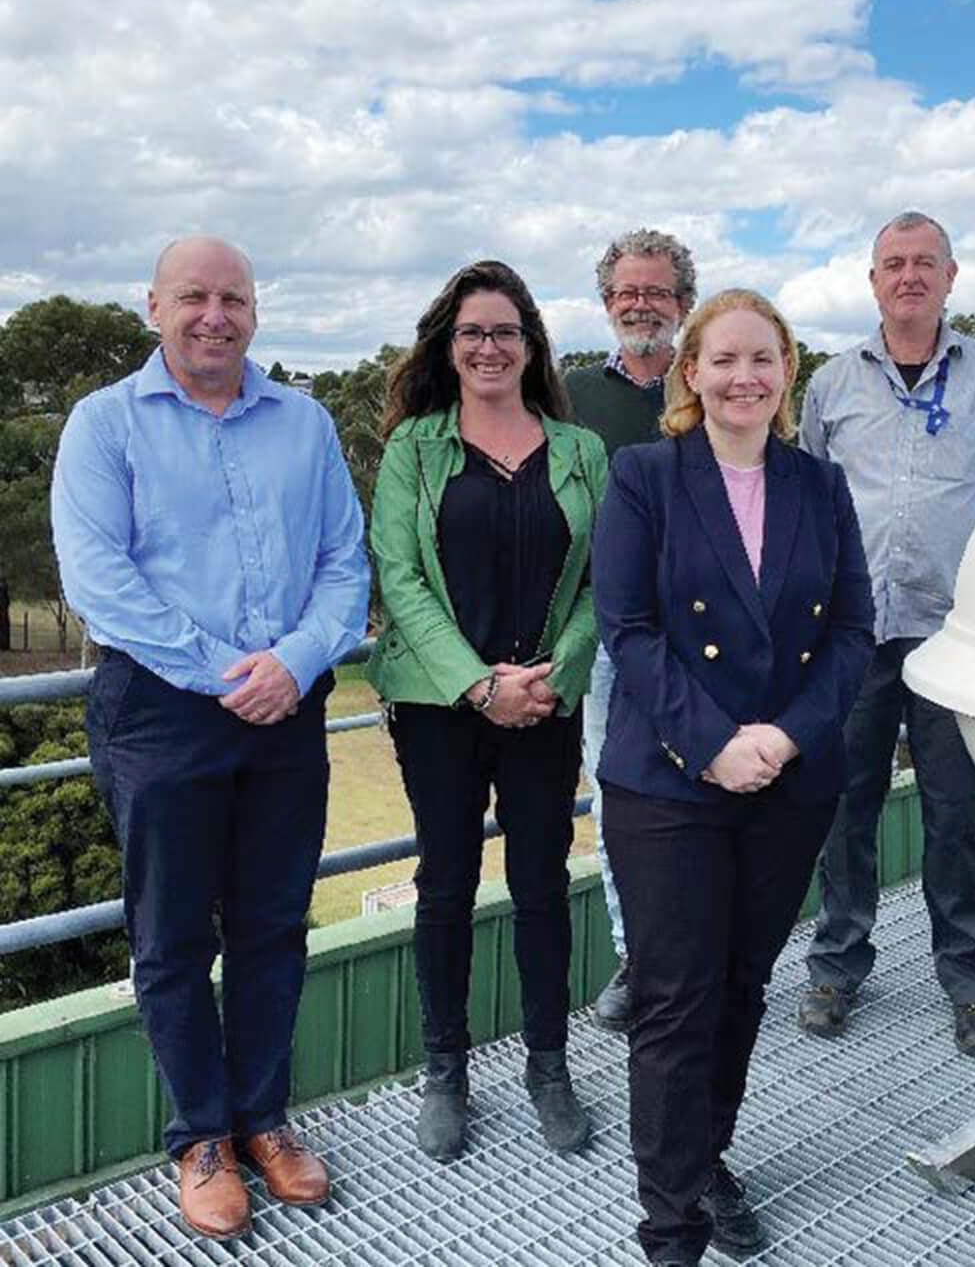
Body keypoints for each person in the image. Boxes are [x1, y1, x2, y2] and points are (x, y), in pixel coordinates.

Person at [51, 236, 370, 1240]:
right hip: (160, 713)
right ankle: (201, 1140)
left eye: (233, 297)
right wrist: (224, 672)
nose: (214, 315)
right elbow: (99, 581)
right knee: (176, 937)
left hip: (286, 703)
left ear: (255, 312)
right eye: (194, 296)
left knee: (274, 925)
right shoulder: (104, 427)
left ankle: (264, 1120)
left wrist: (297, 661)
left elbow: (343, 565)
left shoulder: (306, 425)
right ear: (154, 307)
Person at [593, 289, 874, 1265]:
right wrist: (713, 742)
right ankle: (671, 1230)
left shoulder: (819, 486)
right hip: (669, 783)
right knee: (676, 998)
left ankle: (704, 1158)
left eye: (763, 359)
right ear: (693, 373)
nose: (743, 377)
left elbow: (851, 631)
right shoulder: (645, 478)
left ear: (786, 371)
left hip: (789, 784)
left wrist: (788, 737)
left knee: (742, 986)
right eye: (724, 359)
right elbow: (627, 630)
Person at [365, 260, 608, 1164]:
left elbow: (599, 581)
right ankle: (447, 1072)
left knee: (544, 884)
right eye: (472, 332)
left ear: (531, 344)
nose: (489, 347)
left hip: (546, 704)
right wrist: (479, 684)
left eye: (505, 331)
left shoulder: (580, 452)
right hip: (440, 708)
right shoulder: (415, 449)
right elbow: (402, 579)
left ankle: (550, 1065)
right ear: (448, 345)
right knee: (446, 885)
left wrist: (555, 673)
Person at [797, 211, 975, 1056]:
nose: (908, 276)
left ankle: (974, 986)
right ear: (872, 281)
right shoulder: (830, 386)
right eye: (892, 264)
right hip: (853, 635)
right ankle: (836, 969)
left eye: (923, 263)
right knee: (842, 808)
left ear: (950, 275)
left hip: (953, 638)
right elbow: (809, 512)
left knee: (958, 816)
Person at [564, 228, 697, 1034]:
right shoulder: (571, 393)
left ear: (682, 300)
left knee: (708, 794)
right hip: (611, 632)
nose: (640, 304)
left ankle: (707, 956)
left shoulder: (716, 377)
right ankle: (639, 959)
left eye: (655, 291)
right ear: (607, 302)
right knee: (620, 798)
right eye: (625, 292)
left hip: (710, 632)